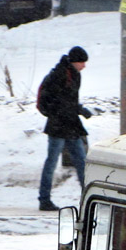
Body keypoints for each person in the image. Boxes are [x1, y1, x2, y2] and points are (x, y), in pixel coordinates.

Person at [37, 45, 92, 211]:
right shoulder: (60, 74)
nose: (84, 65)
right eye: (82, 62)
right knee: (52, 162)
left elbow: (68, 101)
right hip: (58, 126)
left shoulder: (74, 74)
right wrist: (74, 110)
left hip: (71, 125)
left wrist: (78, 109)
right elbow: (60, 101)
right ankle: (44, 199)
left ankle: (89, 199)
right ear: (75, 61)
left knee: (82, 163)